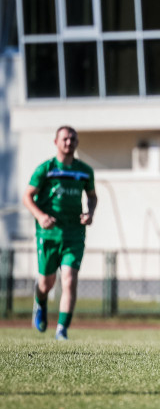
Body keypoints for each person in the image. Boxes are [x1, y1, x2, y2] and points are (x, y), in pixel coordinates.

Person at [22, 126, 97, 341]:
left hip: (74, 234)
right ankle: (41, 302)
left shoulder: (85, 171)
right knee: (46, 284)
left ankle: (61, 330)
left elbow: (92, 196)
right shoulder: (45, 169)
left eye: (73, 139)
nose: (69, 142)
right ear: (56, 142)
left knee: (69, 279)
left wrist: (89, 212)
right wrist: (40, 216)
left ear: (77, 142)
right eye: (65, 139)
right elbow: (27, 197)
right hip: (48, 235)